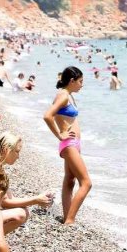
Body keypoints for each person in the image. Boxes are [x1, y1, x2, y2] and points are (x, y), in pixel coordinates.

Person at [43, 66, 91, 224]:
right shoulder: (63, 96)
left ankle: (66, 217)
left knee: (70, 180)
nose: (82, 85)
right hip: (68, 143)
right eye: (80, 81)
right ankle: (70, 220)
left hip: (73, 144)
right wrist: (60, 135)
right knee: (86, 183)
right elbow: (47, 116)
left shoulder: (68, 96)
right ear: (72, 81)